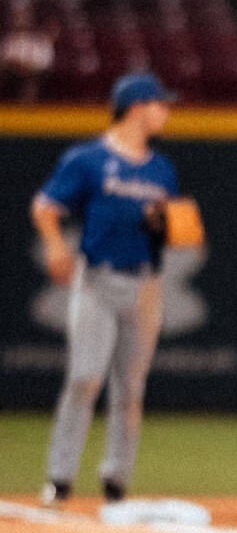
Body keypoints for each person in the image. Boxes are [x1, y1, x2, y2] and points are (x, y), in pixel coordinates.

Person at [32, 73, 199, 506]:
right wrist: (54, 247)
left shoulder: (162, 168)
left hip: (145, 283)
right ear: (137, 106)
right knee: (85, 377)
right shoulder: (88, 159)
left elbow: (175, 231)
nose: (165, 111)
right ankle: (59, 477)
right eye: (160, 104)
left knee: (130, 387)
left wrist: (165, 222)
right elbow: (45, 206)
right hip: (97, 281)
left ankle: (116, 480)